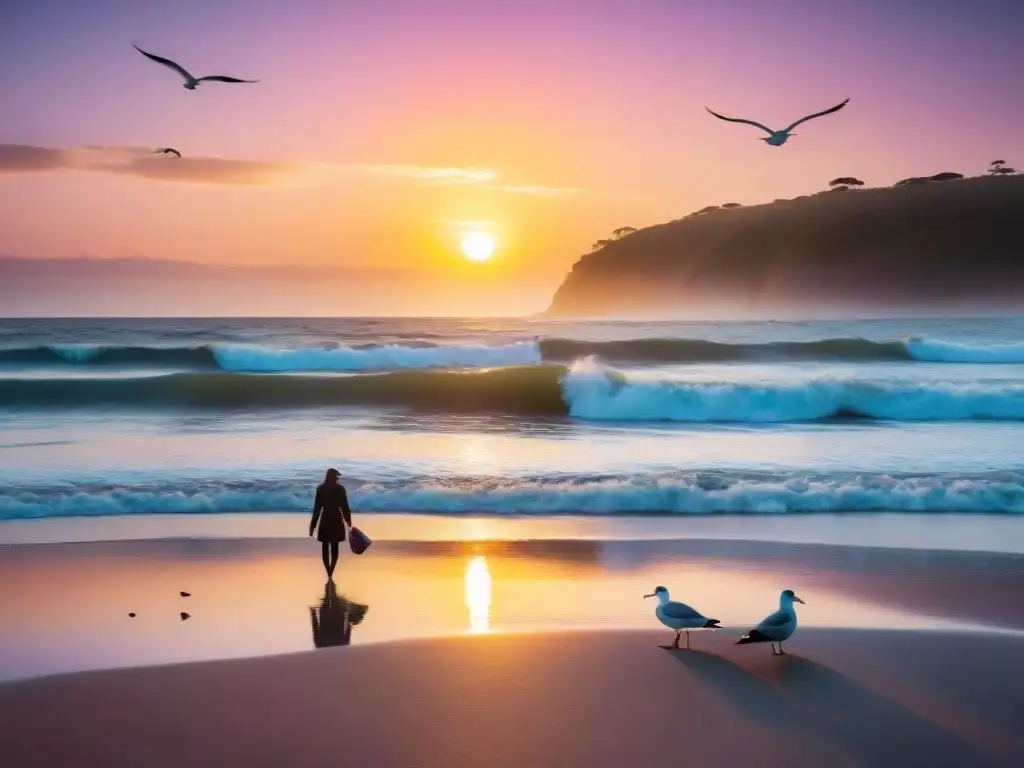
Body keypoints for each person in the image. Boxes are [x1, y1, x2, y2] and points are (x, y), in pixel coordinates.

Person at [309, 468, 352, 579]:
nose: (337, 478)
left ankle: (328, 570)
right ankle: (331, 569)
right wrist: (349, 522)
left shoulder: (321, 489)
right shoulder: (340, 489)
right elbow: (345, 508)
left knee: (325, 546)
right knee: (335, 547)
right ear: (335, 477)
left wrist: (312, 526)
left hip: (325, 519)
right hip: (336, 520)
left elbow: (317, 510)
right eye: (337, 476)